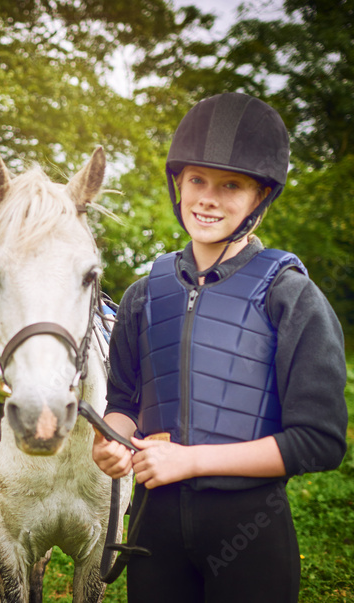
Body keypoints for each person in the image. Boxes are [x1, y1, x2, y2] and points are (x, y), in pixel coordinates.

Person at [92, 93, 348, 602]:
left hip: (249, 531)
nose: (208, 198)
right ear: (178, 185)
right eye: (197, 181)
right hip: (153, 533)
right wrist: (110, 441)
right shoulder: (144, 294)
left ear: (260, 196)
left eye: (230, 185)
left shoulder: (289, 295)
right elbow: (123, 404)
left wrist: (191, 462)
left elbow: (319, 441)